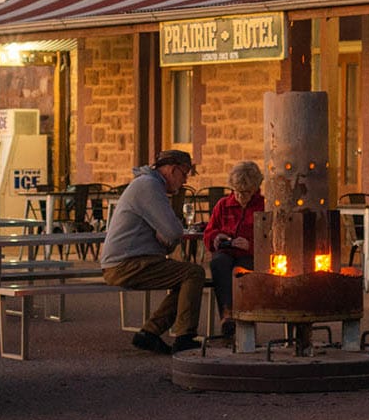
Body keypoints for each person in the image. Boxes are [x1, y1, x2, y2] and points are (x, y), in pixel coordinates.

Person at [102, 149, 207, 355]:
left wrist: (167, 239)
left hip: (132, 260)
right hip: (126, 264)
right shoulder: (149, 186)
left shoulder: (148, 184)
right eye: (184, 173)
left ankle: (149, 334)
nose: (185, 180)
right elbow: (173, 231)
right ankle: (184, 337)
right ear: (171, 169)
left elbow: (168, 237)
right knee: (193, 273)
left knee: (185, 278)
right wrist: (167, 238)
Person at [202, 160, 265, 335]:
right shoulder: (223, 204)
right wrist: (216, 238)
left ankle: (244, 318)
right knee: (219, 264)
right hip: (226, 251)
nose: (240, 197)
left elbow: (271, 241)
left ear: (255, 189)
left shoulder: (263, 206)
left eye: (246, 193)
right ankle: (227, 314)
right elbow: (208, 232)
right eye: (237, 192)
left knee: (242, 270)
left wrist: (251, 245)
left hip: (250, 255)